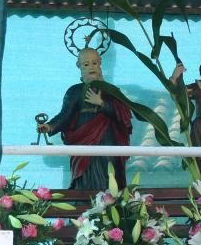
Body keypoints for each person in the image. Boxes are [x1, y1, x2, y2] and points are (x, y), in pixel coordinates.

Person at [37, 48, 133, 190]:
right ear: (79, 66)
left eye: (95, 63)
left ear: (100, 63)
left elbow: (124, 115)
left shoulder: (112, 91)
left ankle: (109, 207)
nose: (91, 67)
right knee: (85, 178)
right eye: (86, 64)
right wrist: (50, 126)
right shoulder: (74, 91)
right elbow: (65, 115)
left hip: (107, 143)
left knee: (109, 178)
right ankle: (85, 207)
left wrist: (102, 104)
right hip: (83, 144)